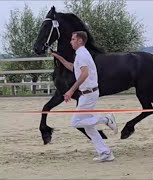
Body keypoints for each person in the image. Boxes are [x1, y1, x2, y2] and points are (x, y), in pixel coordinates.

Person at [50, 31, 118, 162]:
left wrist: (71, 90)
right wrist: (60, 58)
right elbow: (74, 68)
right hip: (88, 93)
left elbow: (84, 74)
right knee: (89, 127)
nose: (71, 41)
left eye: (73, 39)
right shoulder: (81, 54)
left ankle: (106, 119)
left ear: (80, 41)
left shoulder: (82, 55)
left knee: (75, 122)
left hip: (88, 94)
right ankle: (105, 153)